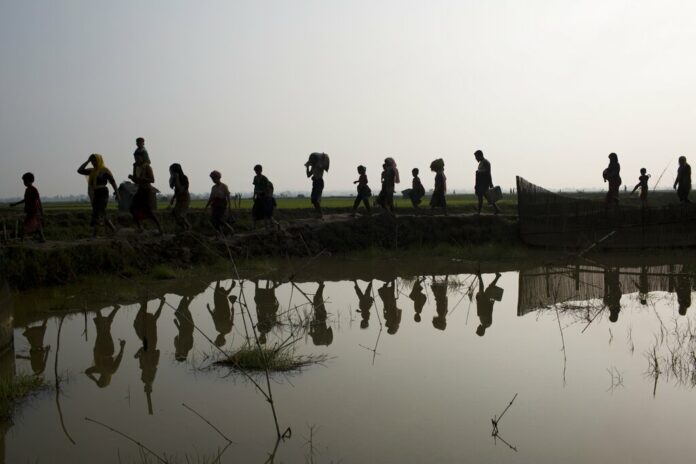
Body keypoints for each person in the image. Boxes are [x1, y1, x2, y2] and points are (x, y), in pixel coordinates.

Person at [133, 297, 164, 415]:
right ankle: (146, 305)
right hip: (151, 342)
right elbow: (157, 351)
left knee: (139, 323)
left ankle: (144, 305)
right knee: (147, 321)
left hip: (146, 342)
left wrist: (138, 354)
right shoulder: (152, 366)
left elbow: (142, 352)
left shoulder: (144, 369)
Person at [77, 154, 119, 236]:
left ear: (99, 160)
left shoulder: (105, 170)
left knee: (98, 212)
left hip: (103, 193)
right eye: (92, 161)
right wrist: (87, 161)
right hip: (95, 194)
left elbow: (113, 182)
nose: (93, 163)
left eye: (94, 160)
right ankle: (114, 229)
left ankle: (95, 234)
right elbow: (80, 170)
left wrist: (117, 193)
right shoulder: (92, 171)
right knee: (101, 212)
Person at [85, 306, 126, 388]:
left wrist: (122, 347)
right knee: (103, 329)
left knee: (103, 329)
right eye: (100, 380)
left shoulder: (102, 370)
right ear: (102, 379)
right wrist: (95, 380)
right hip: (104, 350)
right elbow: (87, 372)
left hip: (107, 350)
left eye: (98, 380)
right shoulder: (103, 370)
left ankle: (104, 309)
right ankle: (101, 309)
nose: (99, 378)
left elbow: (87, 372)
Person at [128, 151, 163, 234]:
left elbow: (152, 180)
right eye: (135, 158)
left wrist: (142, 179)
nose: (136, 160)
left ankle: (160, 228)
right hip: (140, 190)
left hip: (147, 190)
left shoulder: (147, 167)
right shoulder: (136, 166)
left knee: (148, 211)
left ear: (142, 158)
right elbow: (136, 181)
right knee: (132, 208)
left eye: (138, 158)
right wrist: (132, 178)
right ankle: (140, 227)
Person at [10, 172, 45, 242]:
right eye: (23, 181)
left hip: (34, 212)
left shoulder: (34, 190)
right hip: (29, 211)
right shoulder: (27, 190)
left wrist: (42, 211)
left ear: (30, 180)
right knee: (37, 226)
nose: (24, 183)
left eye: (25, 181)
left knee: (25, 225)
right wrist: (15, 204)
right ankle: (42, 238)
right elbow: (25, 200)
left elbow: (38, 200)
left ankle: (21, 240)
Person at [205, 170, 235, 236]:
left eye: (214, 178)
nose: (213, 180)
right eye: (212, 178)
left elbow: (228, 196)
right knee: (214, 221)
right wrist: (206, 206)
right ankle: (219, 234)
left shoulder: (224, 186)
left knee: (221, 220)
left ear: (218, 178)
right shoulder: (213, 188)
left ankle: (230, 230)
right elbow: (211, 198)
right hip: (215, 205)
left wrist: (230, 206)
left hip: (222, 205)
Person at [207, 280, 235, 347]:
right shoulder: (220, 329)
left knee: (223, 296)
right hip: (221, 310)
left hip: (223, 310)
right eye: (217, 338)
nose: (217, 337)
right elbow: (214, 317)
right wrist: (209, 309)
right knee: (219, 295)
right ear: (220, 338)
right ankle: (219, 281)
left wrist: (209, 309)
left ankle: (221, 282)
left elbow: (214, 317)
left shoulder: (227, 330)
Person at [252, 165, 279, 230]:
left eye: (257, 170)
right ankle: (254, 227)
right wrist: (254, 195)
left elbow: (268, 189)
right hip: (258, 198)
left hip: (265, 198)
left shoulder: (264, 179)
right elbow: (255, 187)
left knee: (266, 215)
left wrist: (261, 192)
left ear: (261, 170)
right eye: (256, 171)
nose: (256, 172)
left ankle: (275, 225)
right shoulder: (255, 178)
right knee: (254, 212)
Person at [476, 272, 502, 336]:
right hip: (485, 303)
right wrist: (491, 303)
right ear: (482, 330)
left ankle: (480, 276)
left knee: (486, 289)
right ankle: (480, 276)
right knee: (488, 289)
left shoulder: (484, 323)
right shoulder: (487, 324)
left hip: (483, 302)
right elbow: (490, 312)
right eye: (478, 329)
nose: (477, 327)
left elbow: (481, 312)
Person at [474, 150, 500, 214]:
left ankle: (479, 212)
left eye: (476, 157)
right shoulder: (481, 163)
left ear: (480, 155)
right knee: (487, 196)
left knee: (481, 197)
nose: (476, 158)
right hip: (481, 183)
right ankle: (496, 209)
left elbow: (488, 173)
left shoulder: (486, 162)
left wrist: (490, 183)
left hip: (484, 183)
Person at [254, 280, 279, 344]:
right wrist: (268, 318)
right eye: (262, 337)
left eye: (260, 337)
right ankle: (273, 284)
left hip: (262, 311)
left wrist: (257, 309)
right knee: (270, 301)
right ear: (264, 337)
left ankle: (256, 282)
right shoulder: (268, 329)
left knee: (257, 299)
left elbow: (258, 318)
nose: (261, 336)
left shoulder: (259, 329)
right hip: (268, 311)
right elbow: (271, 320)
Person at [305, 152, 328, 218]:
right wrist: (307, 167)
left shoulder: (319, 165)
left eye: (312, 159)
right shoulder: (313, 167)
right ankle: (318, 213)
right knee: (313, 199)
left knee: (315, 199)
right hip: (315, 183)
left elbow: (322, 167)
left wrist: (322, 159)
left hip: (319, 182)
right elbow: (308, 175)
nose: (311, 160)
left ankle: (320, 214)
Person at [168, 163, 191, 231]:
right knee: (174, 214)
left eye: (171, 171)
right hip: (179, 199)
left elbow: (180, 189)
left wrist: (177, 178)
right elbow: (176, 190)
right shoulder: (173, 179)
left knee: (181, 215)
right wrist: (173, 198)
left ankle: (188, 227)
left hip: (185, 199)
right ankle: (184, 228)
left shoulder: (184, 178)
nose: (170, 173)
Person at [173, 296, 194, 361]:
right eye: (181, 353)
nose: (178, 352)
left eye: (177, 353)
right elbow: (188, 335)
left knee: (177, 313)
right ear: (185, 353)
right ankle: (187, 296)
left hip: (182, 326)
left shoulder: (178, 346)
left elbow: (179, 335)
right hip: (189, 326)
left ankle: (187, 297)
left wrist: (176, 324)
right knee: (184, 310)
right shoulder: (189, 346)